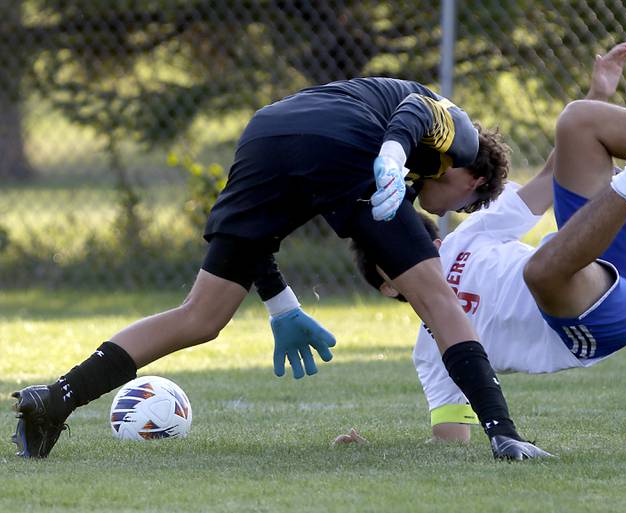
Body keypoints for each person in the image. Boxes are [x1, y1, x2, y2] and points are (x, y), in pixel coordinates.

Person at [11, 77, 540, 461]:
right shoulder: (463, 141)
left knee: (202, 314)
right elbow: (418, 111)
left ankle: (54, 399)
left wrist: (281, 304)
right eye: (464, 206)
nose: (442, 213)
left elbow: (266, 230)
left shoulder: (394, 155)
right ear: (474, 180)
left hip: (267, 134)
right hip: (349, 143)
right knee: (439, 300)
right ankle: (504, 432)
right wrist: (392, 154)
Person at [352, 46, 626, 449]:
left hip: (606, 264)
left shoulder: (468, 236)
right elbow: (451, 437)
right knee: (537, 271)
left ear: (438, 241)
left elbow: (545, 182)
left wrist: (597, 96)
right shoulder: (432, 346)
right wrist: (365, 450)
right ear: (388, 287)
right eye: (392, 257)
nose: (408, 253)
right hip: (594, 323)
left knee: (577, 121)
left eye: (414, 241)